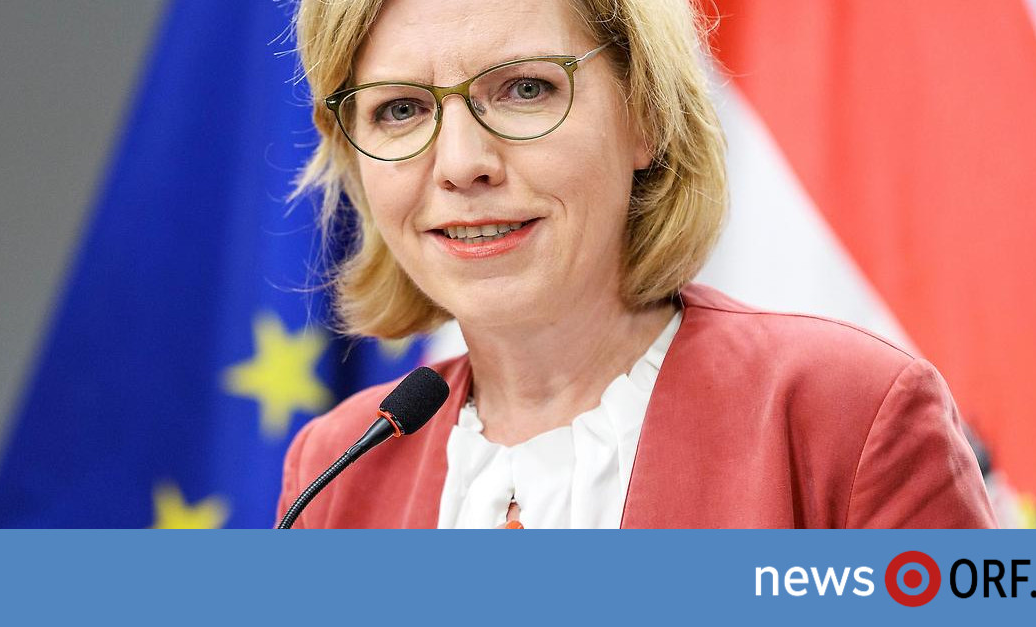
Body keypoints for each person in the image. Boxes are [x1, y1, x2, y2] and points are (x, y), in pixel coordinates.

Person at [276, 0, 996, 529]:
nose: (462, 164)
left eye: (526, 89)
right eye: (399, 109)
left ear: (645, 114)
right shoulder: (336, 468)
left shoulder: (848, 414)